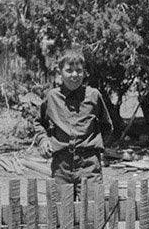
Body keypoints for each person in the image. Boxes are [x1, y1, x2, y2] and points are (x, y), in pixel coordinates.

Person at [36, 48, 113, 189]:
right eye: (69, 70)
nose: (75, 75)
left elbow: (106, 126)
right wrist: (43, 140)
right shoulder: (52, 97)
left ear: (84, 72)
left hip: (89, 167)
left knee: (92, 202)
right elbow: (39, 123)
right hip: (61, 167)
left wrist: (94, 148)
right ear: (60, 72)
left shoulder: (94, 95)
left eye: (79, 70)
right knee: (61, 203)